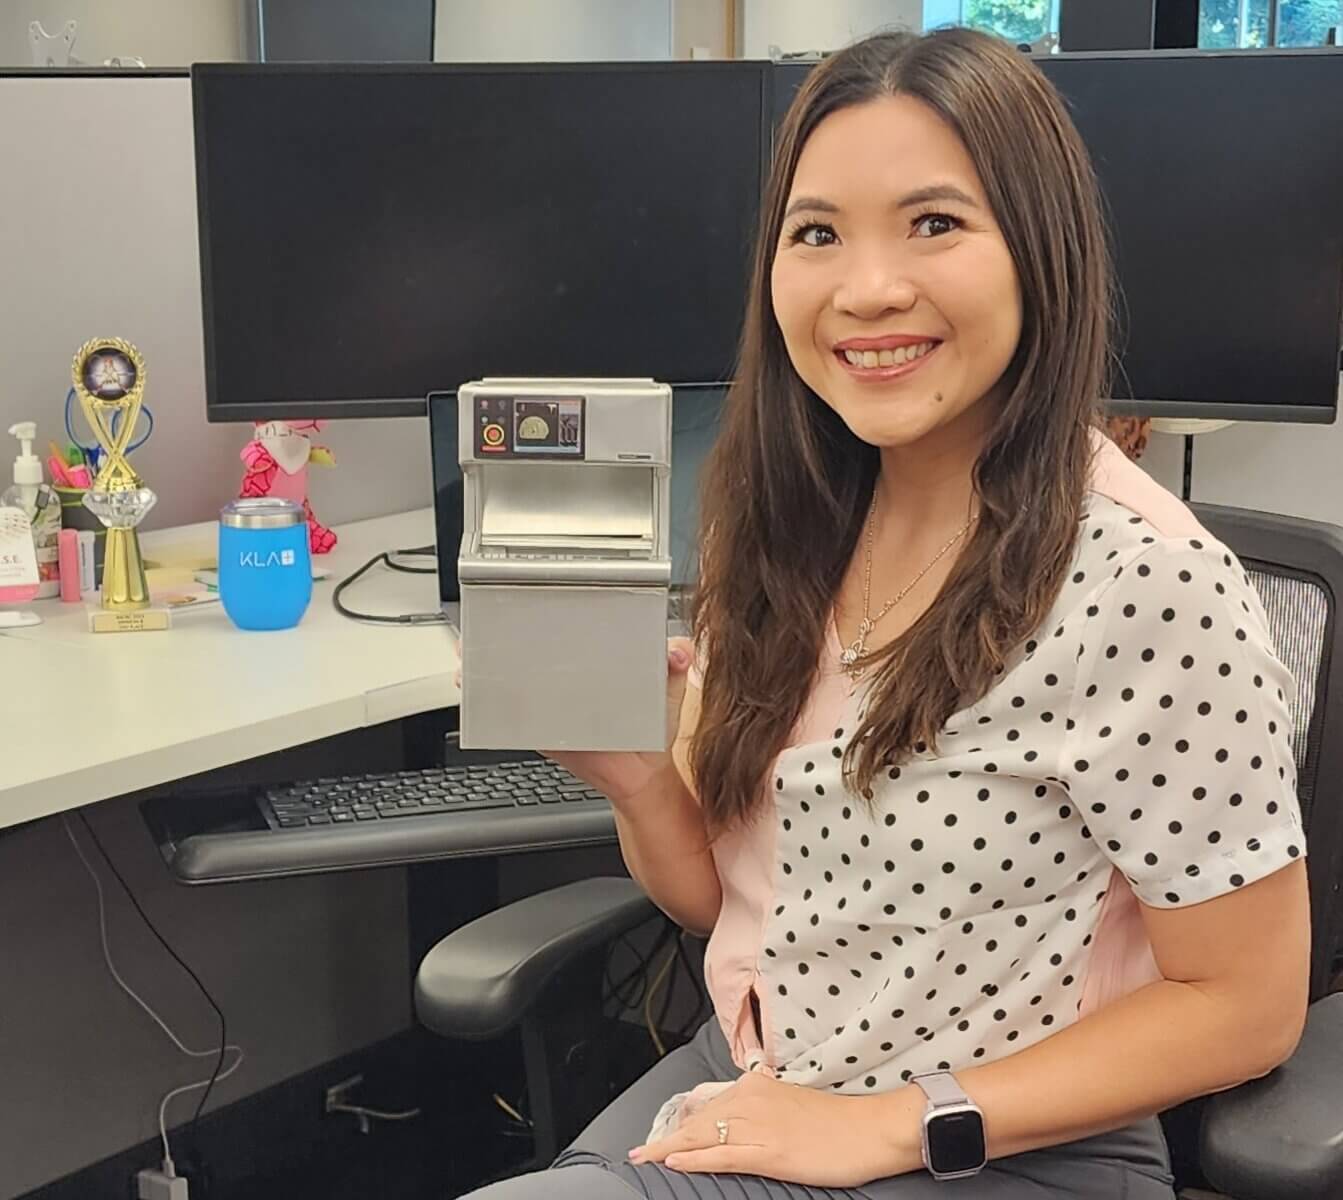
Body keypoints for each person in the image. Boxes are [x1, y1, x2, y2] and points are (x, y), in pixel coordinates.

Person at [461, 26, 1309, 1200]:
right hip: (762, 1083)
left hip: (1002, 1145)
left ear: (1037, 252)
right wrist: (641, 781)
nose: (865, 290)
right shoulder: (785, 525)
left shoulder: (1145, 583)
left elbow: (1244, 1008)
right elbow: (736, 910)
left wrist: (898, 1124)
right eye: (816, 234)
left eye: (934, 224)